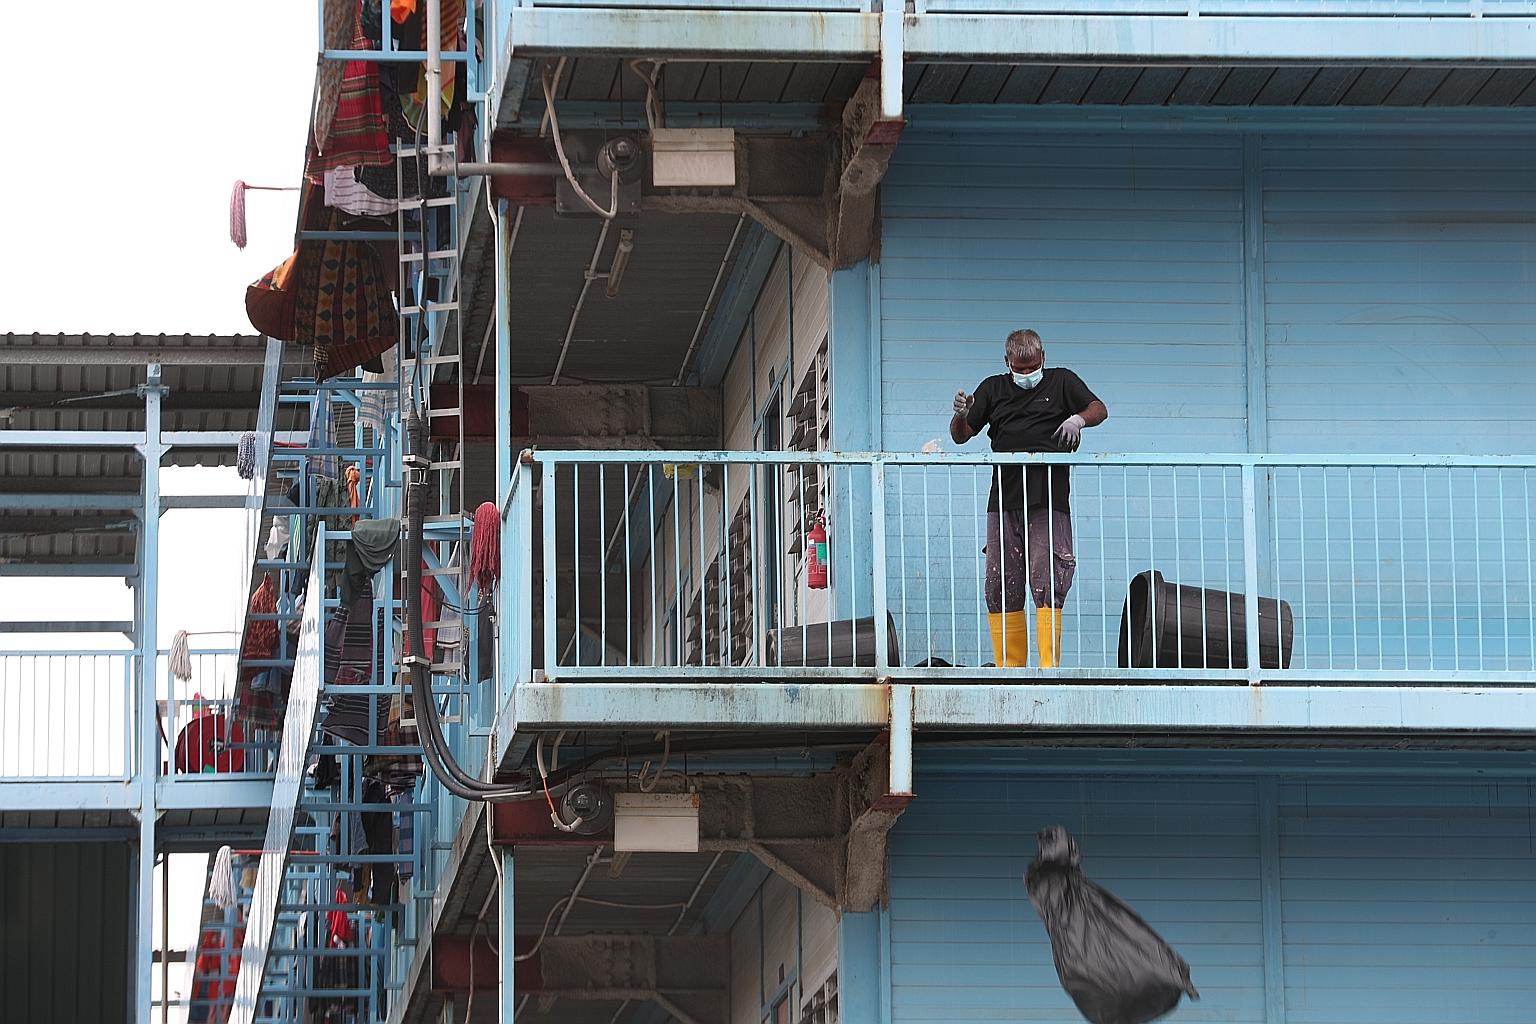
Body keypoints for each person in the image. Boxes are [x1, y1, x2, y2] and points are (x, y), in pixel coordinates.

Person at [950, 329, 1108, 668]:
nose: (1026, 374)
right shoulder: (993, 388)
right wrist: (962, 414)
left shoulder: (1062, 381)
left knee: (1049, 575)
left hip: (1049, 497)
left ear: (1043, 359)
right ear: (1007, 362)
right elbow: (962, 437)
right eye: (1019, 369)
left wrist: (1078, 420)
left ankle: (1049, 667)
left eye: (1032, 367)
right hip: (1004, 499)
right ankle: (1010, 669)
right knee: (1002, 580)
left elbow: (1099, 408)